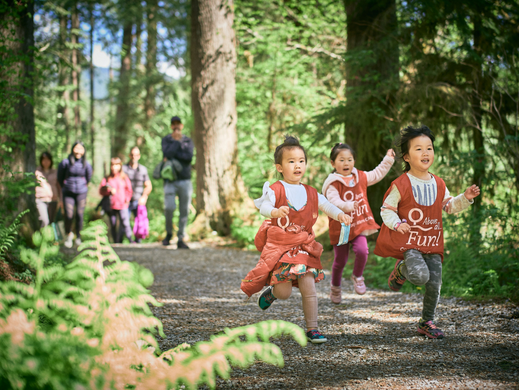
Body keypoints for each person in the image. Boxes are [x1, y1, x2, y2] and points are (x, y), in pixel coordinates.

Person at [241, 136, 352, 344]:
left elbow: (327, 205)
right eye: (291, 161)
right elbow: (263, 207)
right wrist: (274, 211)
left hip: (304, 246)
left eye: (301, 161)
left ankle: (313, 328)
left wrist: (340, 215)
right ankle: (273, 292)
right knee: (284, 292)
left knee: (308, 285)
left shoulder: (310, 192)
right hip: (283, 247)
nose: (297, 165)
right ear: (280, 167)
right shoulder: (276, 189)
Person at [374, 125, 480, 339]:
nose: (425, 153)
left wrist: (466, 197)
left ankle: (426, 322)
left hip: (433, 241)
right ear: (406, 157)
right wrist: (396, 224)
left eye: (429, 148)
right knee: (420, 276)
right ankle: (402, 270)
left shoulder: (439, 183)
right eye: (418, 149)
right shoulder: (400, 184)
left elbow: (448, 206)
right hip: (410, 241)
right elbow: (387, 209)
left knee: (435, 283)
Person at [322, 143, 395, 303]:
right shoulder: (332, 183)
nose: (346, 163)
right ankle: (335, 287)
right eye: (341, 160)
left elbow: (377, 174)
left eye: (350, 159)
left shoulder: (360, 177)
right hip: (340, 226)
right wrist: (347, 206)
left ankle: (357, 276)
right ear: (333, 163)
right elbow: (333, 200)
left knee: (363, 250)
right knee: (340, 261)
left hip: (358, 223)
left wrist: (388, 160)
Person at [161, 116, 194, 249]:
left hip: (185, 180)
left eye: (178, 124)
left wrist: (175, 151)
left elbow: (189, 157)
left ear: (182, 125)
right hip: (170, 180)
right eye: (173, 124)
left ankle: (181, 237)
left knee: (184, 209)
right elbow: (167, 153)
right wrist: (175, 142)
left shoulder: (188, 140)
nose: (176, 127)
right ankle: (169, 233)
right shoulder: (166, 140)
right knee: (169, 207)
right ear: (171, 126)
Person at [58, 142, 93, 248]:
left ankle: (78, 236)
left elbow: (89, 177)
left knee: (79, 214)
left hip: (81, 192)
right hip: (68, 192)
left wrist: (83, 186)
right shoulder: (65, 162)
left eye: (81, 149)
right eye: (76, 148)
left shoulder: (86, 164)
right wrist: (65, 186)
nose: (78, 151)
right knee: (69, 215)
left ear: (84, 151)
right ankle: (68, 234)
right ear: (72, 149)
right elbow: (60, 177)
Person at [99, 157, 134, 244]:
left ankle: (130, 240)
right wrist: (109, 191)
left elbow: (129, 190)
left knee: (125, 223)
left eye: (116, 165)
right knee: (113, 224)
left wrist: (127, 200)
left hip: (122, 205)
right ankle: (116, 242)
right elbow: (101, 191)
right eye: (113, 165)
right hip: (111, 205)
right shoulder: (107, 178)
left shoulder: (124, 177)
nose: (114, 167)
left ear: (120, 166)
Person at [123, 146, 152, 242]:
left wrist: (144, 197)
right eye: (132, 154)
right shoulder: (123, 169)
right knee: (124, 223)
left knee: (140, 223)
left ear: (139, 156)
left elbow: (148, 185)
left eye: (136, 155)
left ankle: (137, 244)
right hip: (125, 201)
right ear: (129, 155)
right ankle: (126, 242)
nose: (134, 156)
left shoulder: (143, 170)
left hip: (138, 200)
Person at [35, 151, 62, 228]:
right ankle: (42, 236)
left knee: (51, 221)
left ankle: (49, 237)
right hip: (41, 199)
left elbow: (59, 186)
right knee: (44, 220)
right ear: (41, 161)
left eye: (48, 160)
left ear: (51, 161)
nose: (46, 162)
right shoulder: (37, 171)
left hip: (53, 200)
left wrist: (60, 199)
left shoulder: (55, 172)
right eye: (44, 160)